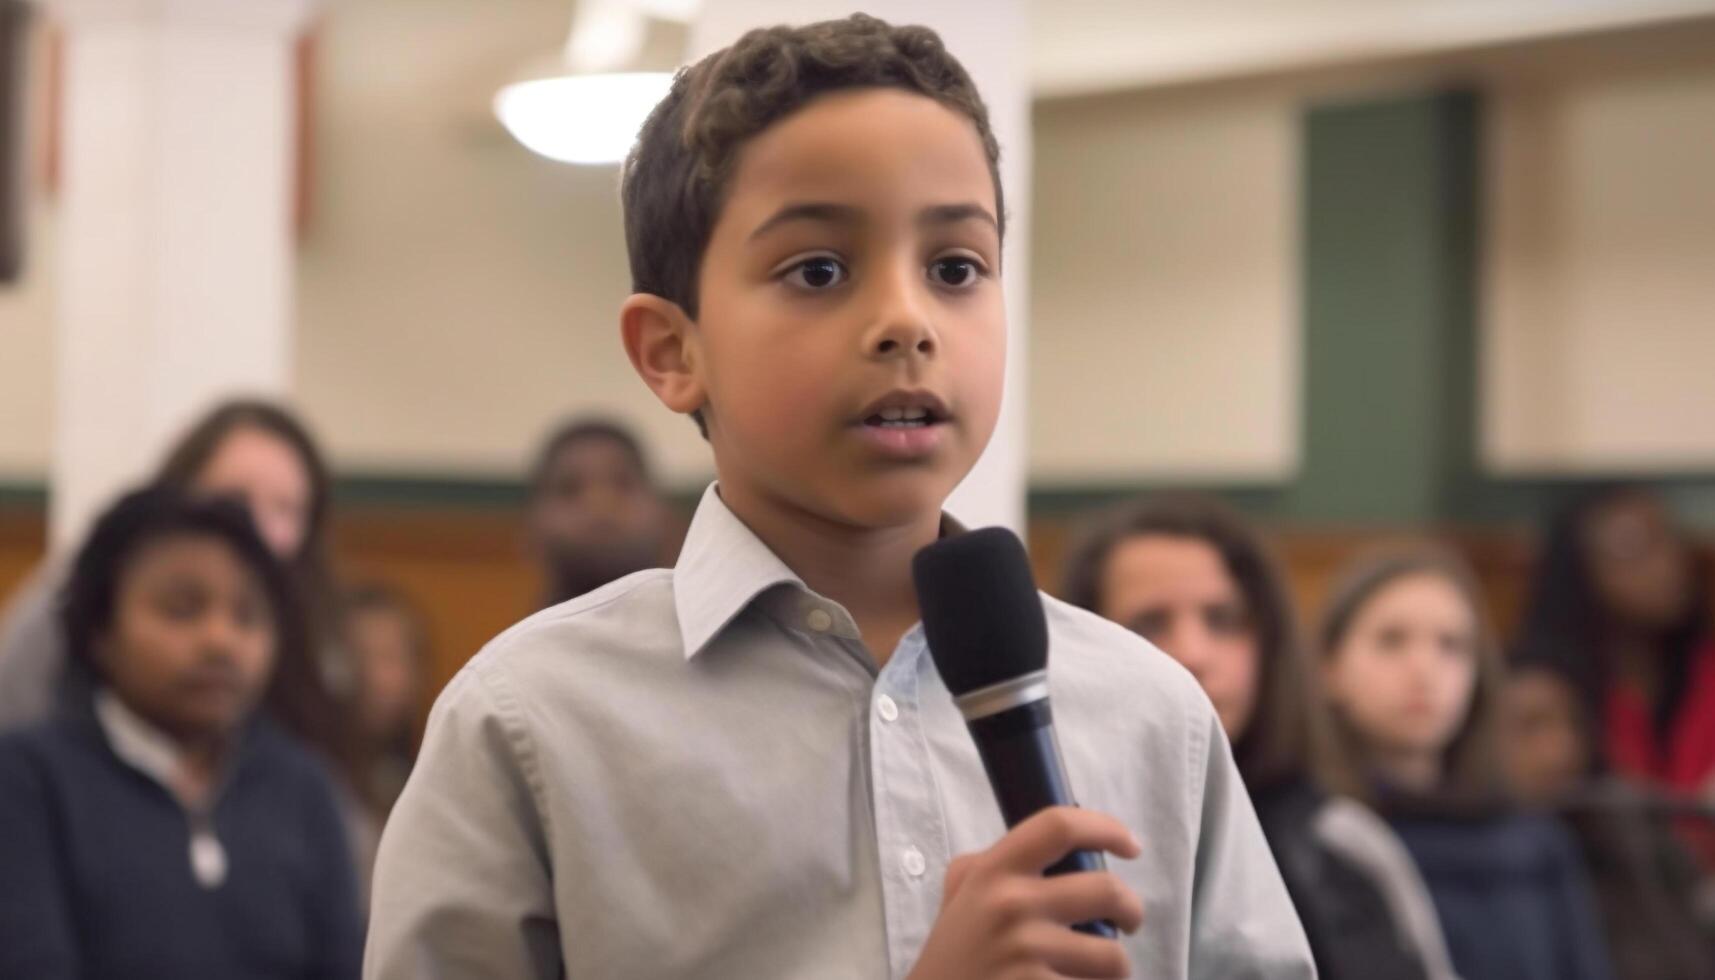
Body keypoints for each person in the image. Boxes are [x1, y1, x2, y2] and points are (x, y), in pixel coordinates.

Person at [365, 15, 1313, 980]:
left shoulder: (1151, 715)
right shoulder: (533, 724)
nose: (907, 320)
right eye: (817, 270)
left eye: (955, 269)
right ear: (671, 351)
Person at [1063, 495, 1456, 980]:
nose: (1194, 653)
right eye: (1150, 623)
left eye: (1223, 620)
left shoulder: (1345, 845)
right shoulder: (1054, 846)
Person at [0, 488, 363, 979]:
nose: (221, 641)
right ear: (100, 631)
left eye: (248, 615)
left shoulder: (303, 787)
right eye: (182, 609)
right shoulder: (29, 778)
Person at [1318, 546, 1615, 980]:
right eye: (1391, 641)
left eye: (1452, 646)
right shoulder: (1310, 840)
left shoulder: (1533, 844)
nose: (1424, 669)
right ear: (1329, 667)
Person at [0, 398, 347, 765]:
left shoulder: (316, 638)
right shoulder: (76, 595)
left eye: (286, 509)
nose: (258, 527)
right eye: (236, 499)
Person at [1502, 655, 1715, 980]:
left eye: (1572, 724)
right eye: (1531, 727)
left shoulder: (1629, 826)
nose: (1562, 749)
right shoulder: (1484, 859)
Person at [1516, 486, 1715, 804]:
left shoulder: (1706, 672)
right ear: (1578, 569)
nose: (1665, 564)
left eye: (1669, 541)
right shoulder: (1547, 694)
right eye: (1635, 547)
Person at [524, 417, 673, 608]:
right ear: (531, 525)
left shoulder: (710, 634)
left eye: (623, 483)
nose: (600, 505)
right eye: (570, 488)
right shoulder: (516, 639)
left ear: (665, 515)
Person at [338, 581, 428, 818]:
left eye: (390, 657)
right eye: (360, 656)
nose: (377, 678)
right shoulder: (313, 784)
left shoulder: (428, 779)